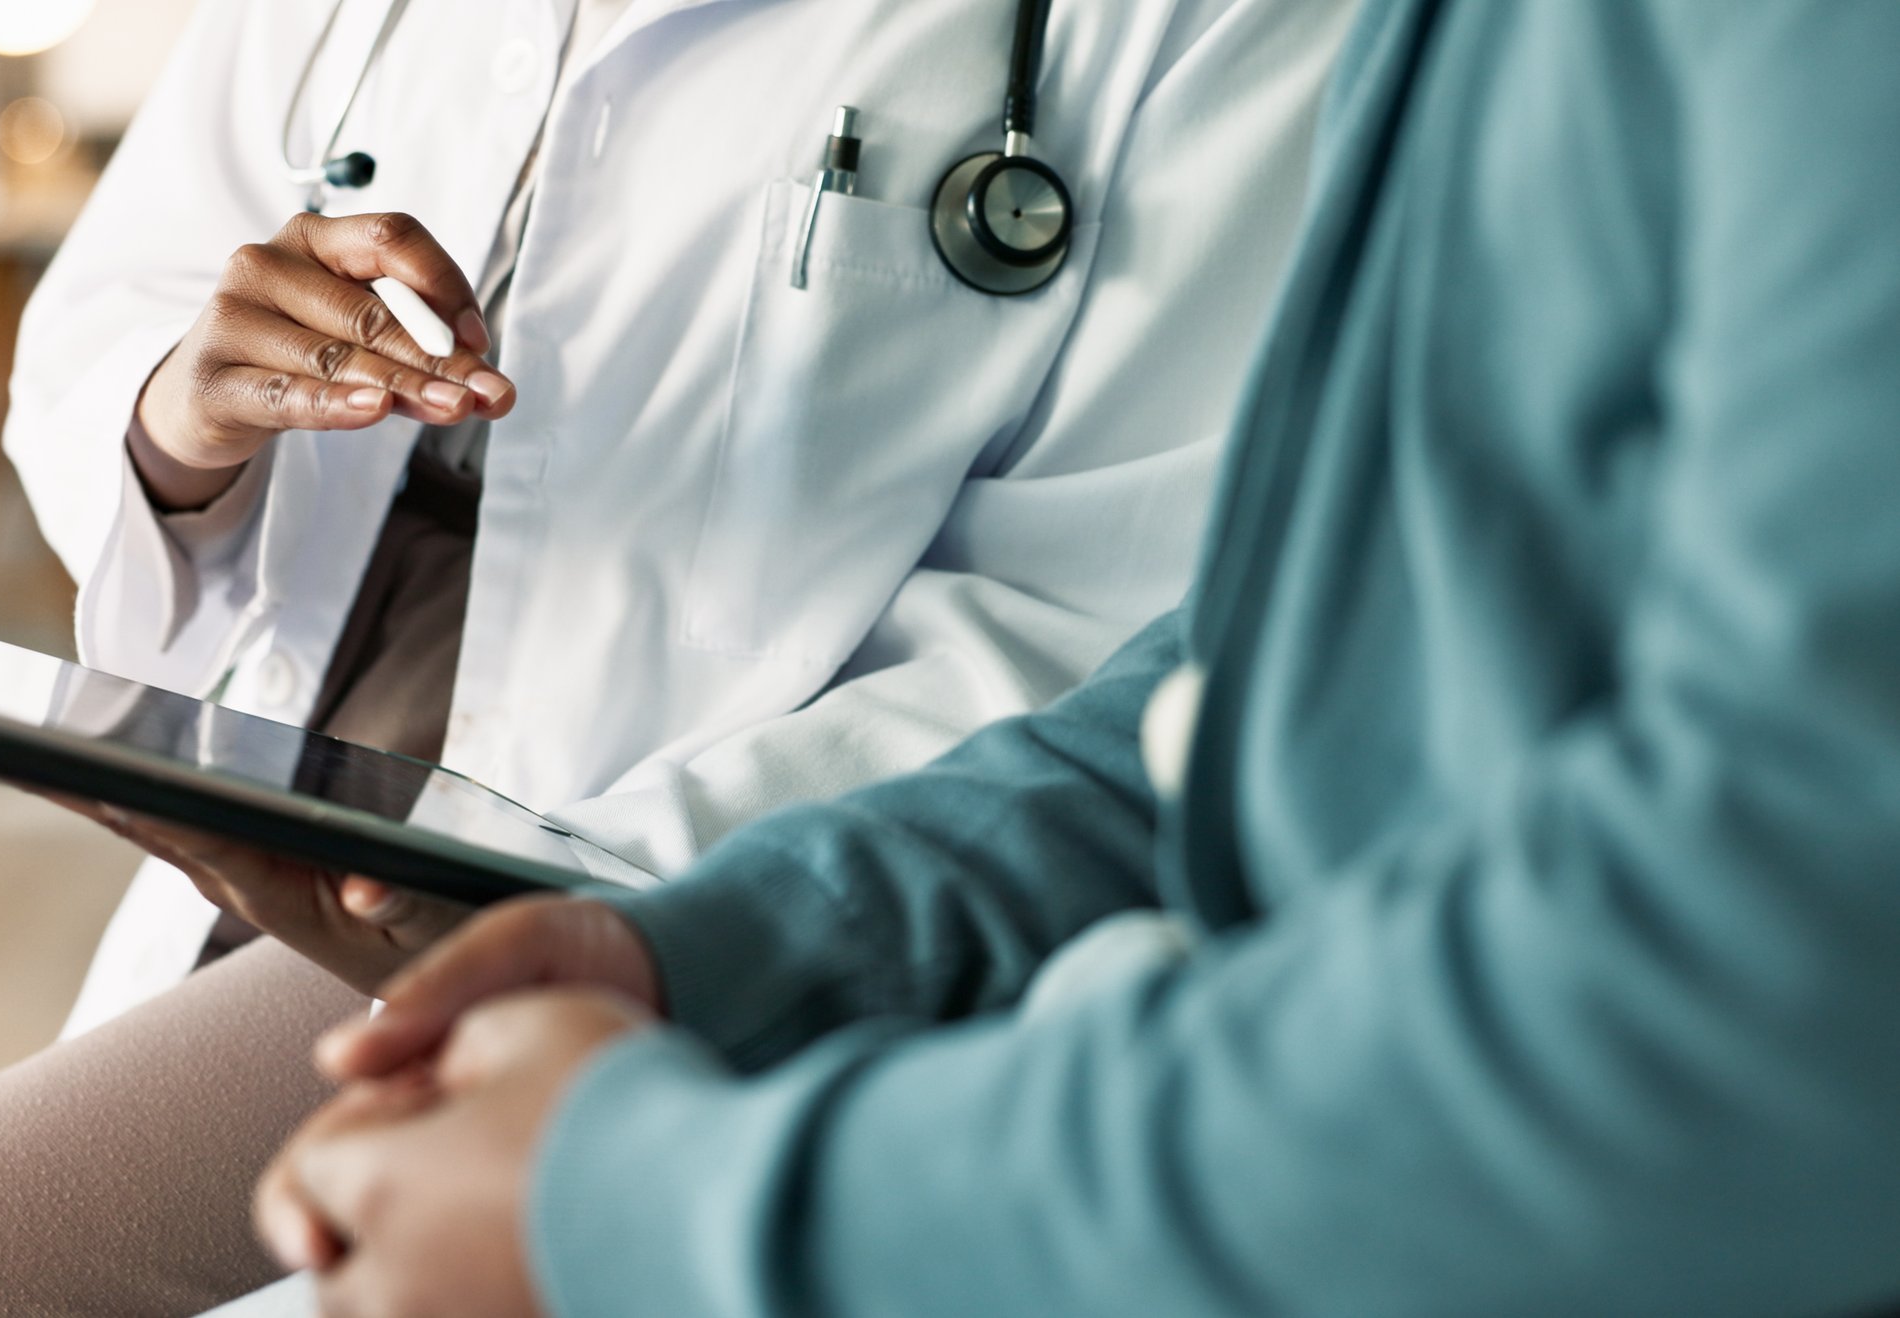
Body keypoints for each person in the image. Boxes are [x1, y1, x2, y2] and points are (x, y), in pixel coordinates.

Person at [0, 0, 1353, 1313]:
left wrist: (594, 894)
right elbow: (105, 319)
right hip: (266, 829)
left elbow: (1107, 636)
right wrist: (188, 406)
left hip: (650, 910)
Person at [229, 0, 1900, 1312]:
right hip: (761, 968)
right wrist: (726, 954)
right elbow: (1272, 671)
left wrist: (672, 1212)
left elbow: (1786, 972)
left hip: (1295, 1160)